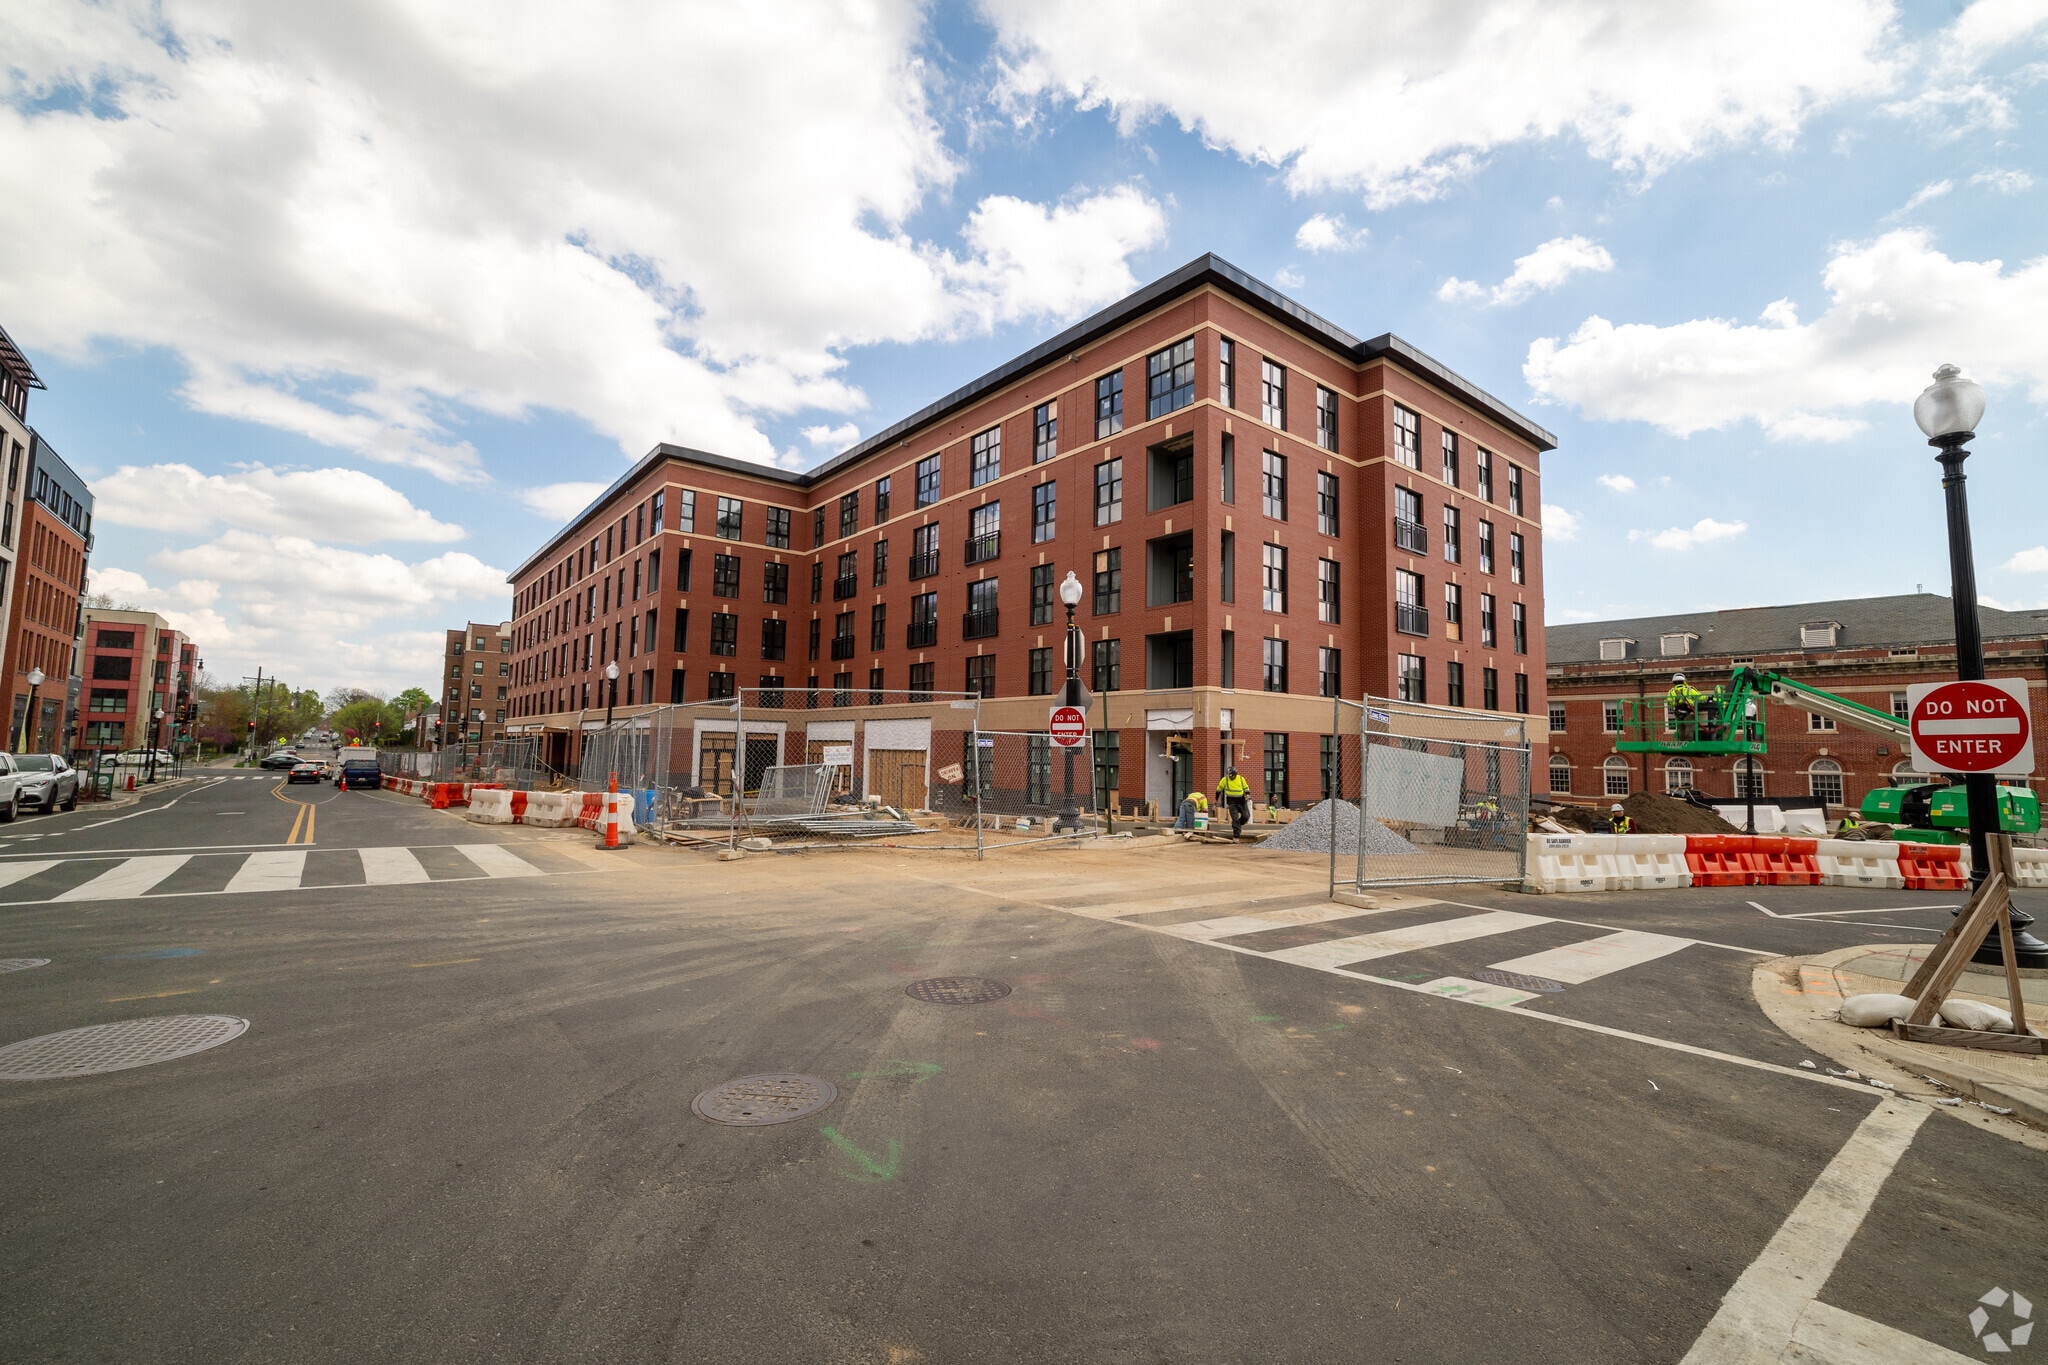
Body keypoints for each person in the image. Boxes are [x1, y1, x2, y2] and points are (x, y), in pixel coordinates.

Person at [1216, 766, 1252, 839]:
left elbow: (1246, 788)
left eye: (1232, 776)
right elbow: (1219, 789)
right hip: (1232, 802)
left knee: (1246, 816)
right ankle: (1236, 836)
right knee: (1235, 819)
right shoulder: (1225, 780)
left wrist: (1247, 795)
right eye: (1229, 776)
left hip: (1242, 801)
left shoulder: (1241, 779)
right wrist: (1216, 799)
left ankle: (1237, 825)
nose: (1231, 777)